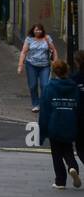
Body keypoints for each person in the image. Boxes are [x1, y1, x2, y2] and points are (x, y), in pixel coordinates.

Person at [39, 60, 81, 189]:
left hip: (54, 123)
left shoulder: (49, 87)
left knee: (56, 153)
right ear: (67, 71)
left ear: (54, 71)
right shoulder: (74, 87)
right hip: (69, 122)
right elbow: (78, 106)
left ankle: (60, 181)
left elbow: (45, 110)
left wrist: (43, 129)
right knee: (68, 149)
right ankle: (73, 167)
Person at [19, 24, 59, 112]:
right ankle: (35, 104)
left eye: (40, 30)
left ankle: (43, 104)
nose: (38, 32)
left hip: (45, 66)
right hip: (31, 65)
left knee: (45, 85)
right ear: (33, 30)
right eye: (36, 30)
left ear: (42, 30)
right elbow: (23, 52)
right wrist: (20, 65)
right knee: (33, 86)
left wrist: (55, 61)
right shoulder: (29, 39)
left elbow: (54, 50)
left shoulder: (47, 38)